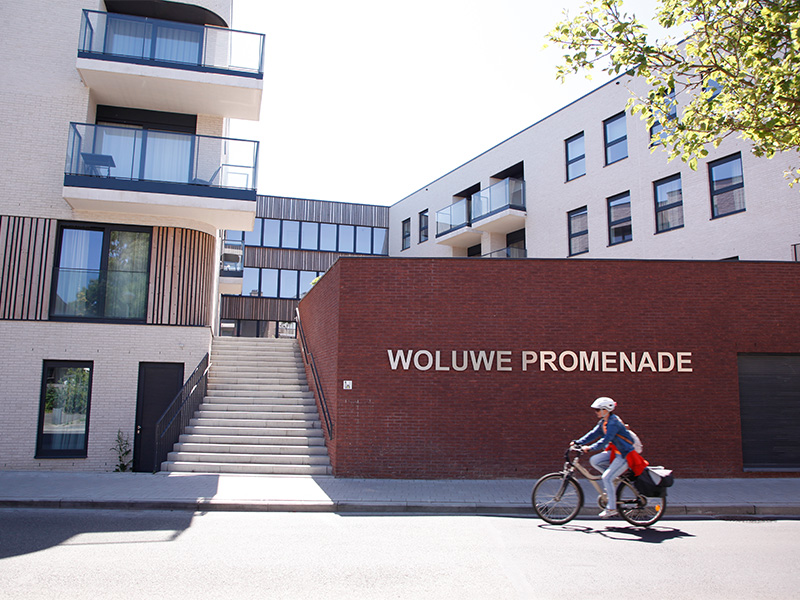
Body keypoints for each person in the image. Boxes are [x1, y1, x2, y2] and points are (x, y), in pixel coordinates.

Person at [573, 396, 639, 519]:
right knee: (594, 460)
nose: (596, 412)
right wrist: (578, 442)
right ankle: (612, 478)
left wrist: (590, 448)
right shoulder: (604, 422)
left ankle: (612, 508)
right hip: (615, 453)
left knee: (606, 477)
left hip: (624, 455)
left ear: (606, 410)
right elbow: (593, 433)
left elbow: (605, 440)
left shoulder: (613, 423)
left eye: (598, 410)